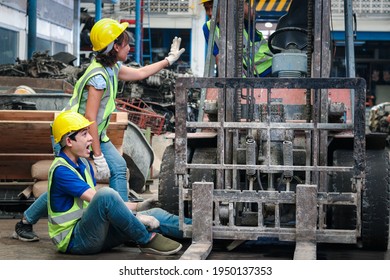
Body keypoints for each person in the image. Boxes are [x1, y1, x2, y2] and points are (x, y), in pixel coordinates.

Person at [12, 17, 185, 242]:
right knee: (73, 183)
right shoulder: (98, 78)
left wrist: (168, 61)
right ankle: (26, 221)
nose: (129, 47)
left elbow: (141, 73)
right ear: (115, 46)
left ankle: (124, 219)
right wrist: (100, 156)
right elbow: (90, 118)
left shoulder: (111, 68)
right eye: (126, 44)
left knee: (119, 168)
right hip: (73, 135)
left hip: (90, 133)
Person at [47, 110, 190, 255]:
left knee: (155, 213)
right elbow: (101, 199)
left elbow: (104, 205)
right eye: (84, 134)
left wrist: (138, 206)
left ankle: (203, 229)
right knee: (106, 194)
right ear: (69, 141)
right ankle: (146, 239)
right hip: (75, 241)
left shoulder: (82, 164)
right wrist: (136, 217)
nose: (91, 138)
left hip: (93, 230)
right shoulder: (62, 170)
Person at [201, 0, 272, 77]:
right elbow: (219, 57)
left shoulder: (239, 16)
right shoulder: (208, 28)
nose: (210, 13)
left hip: (268, 67)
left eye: (213, 7)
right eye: (207, 9)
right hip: (245, 76)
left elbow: (251, 14)